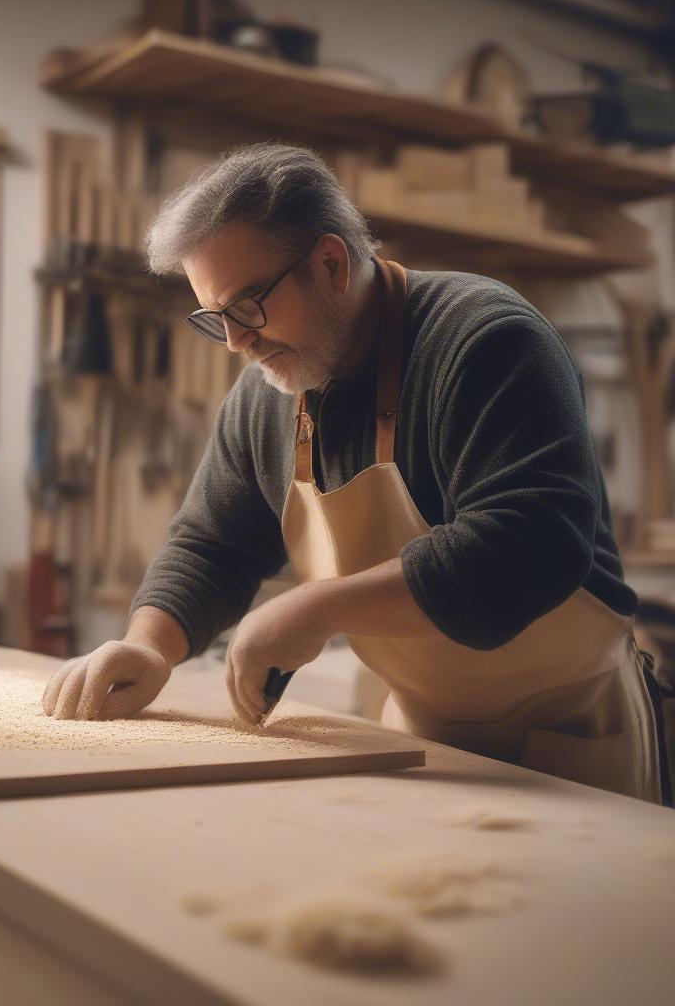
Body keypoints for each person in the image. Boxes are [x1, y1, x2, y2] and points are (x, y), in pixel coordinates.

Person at [42, 142, 667, 804]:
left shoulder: (488, 342)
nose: (235, 344)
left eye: (248, 307)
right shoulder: (266, 396)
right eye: (215, 319)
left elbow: (532, 545)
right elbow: (211, 545)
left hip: (573, 745)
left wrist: (318, 608)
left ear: (332, 263)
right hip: (423, 738)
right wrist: (149, 647)